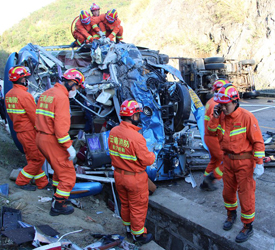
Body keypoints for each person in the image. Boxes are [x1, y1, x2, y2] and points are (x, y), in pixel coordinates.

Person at [207, 83, 265, 243]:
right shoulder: (222, 116)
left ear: (234, 102)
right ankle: (231, 215)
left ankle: (247, 226)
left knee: (246, 195)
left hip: (244, 163)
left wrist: (259, 163)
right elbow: (211, 132)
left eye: (225, 105)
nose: (222, 108)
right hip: (228, 162)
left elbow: (258, 142)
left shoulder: (247, 117)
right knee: (227, 193)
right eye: (221, 105)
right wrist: (215, 116)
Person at [35, 68, 85, 216]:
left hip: (40, 137)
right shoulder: (62, 98)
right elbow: (61, 128)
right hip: (52, 140)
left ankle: (58, 195)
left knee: (58, 171)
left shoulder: (47, 93)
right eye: (77, 86)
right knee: (68, 174)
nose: (76, 90)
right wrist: (69, 147)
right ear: (71, 83)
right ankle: (58, 204)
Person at [108, 100, 155, 244]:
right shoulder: (136, 137)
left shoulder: (114, 131)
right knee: (138, 206)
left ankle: (128, 229)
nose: (139, 117)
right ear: (134, 116)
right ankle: (139, 235)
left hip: (119, 176)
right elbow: (147, 160)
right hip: (134, 178)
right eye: (138, 114)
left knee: (126, 204)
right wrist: (153, 155)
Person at [5, 66, 49, 191]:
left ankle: (42, 183)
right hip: (29, 132)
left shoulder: (9, 95)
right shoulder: (25, 96)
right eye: (25, 77)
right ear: (21, 79)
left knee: (31, 158)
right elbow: (34, 116)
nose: (26, 80)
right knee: (38, 158)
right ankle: (21, 181)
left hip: (19, 131)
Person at [200, 79, 228, 191]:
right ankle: (212, 178)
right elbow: (215, 123)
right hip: (214, 138)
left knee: (215, 160)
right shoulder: (217, 104)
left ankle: (205, 181)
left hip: (209, 137)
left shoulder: (211, 101)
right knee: (227, 161)